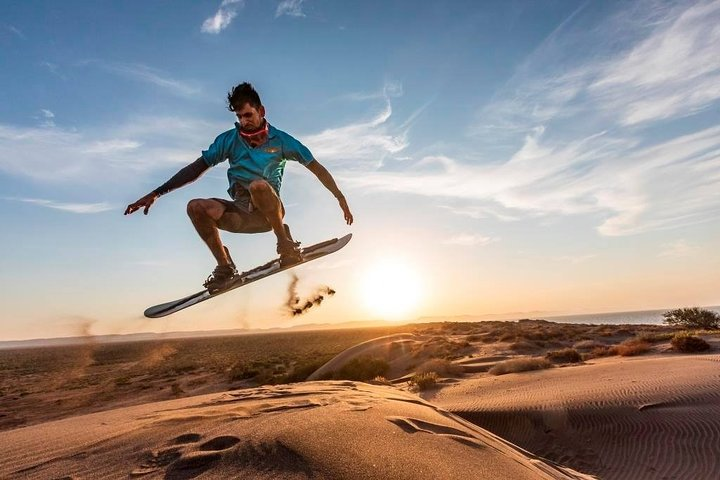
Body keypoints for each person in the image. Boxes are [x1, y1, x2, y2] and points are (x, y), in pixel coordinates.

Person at [125, 82, 353, 292]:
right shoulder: (229, 140)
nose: (244, 121)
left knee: (258, 186)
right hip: (241, 214)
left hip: (269, 214)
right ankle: (225, 268)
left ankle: (285, 243)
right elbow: (195, 169)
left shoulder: (283, 141)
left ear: (261, 111)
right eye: (240, 117)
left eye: (248, 115)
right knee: (195, 206)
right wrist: (156, 193)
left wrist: (339, 197)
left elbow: (317, 168)